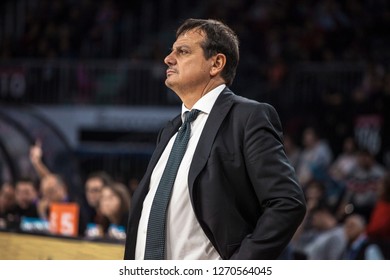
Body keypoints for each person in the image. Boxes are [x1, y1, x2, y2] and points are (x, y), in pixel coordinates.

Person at [124, 18, 306, 260]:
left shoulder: (247, 117)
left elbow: (287, 203)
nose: (168, 58)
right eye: (171, 51)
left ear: (216, 63)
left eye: (183, 51)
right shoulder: (170, 130)